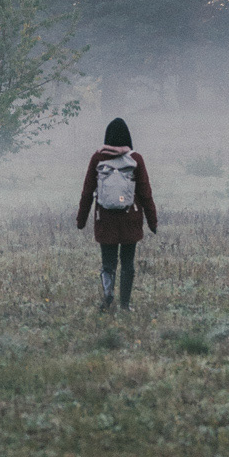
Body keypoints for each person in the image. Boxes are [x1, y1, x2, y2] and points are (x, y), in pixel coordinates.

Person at [76, 116, 157, 312]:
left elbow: (87, 190)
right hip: (131, 218)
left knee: (108, 263)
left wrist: (81, 220)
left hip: (105, 219)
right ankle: (125, 305)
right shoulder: (135, 159)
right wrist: (152, 221)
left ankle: (107, 297)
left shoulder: (98, 158)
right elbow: (145, 193)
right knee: (127, 263)